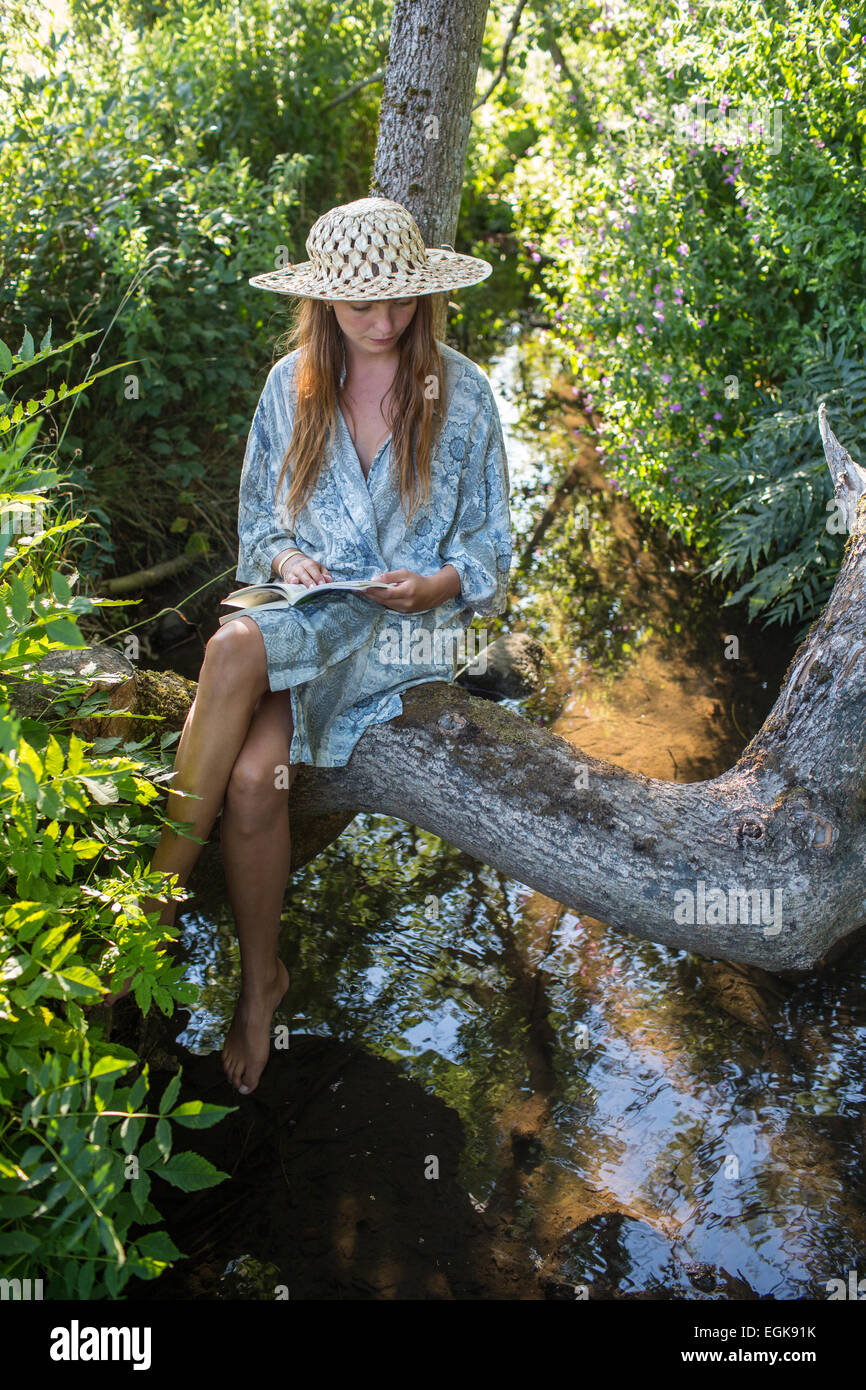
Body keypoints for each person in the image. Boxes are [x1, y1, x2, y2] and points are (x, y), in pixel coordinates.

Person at [138, 195, 513, 1095]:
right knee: (248, 783)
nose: (382, 322)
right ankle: (261, 983)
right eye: (360, 304)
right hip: (304, 614)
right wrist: (289, 555)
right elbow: (257, 526)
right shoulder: (290, 385)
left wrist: (434, 585)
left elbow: (491, 549)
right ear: (324, 304)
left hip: (395, 631)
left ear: (424, 293)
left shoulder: (460, 395)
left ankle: (144, 915)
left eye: (398, 301)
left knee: (230, 655)